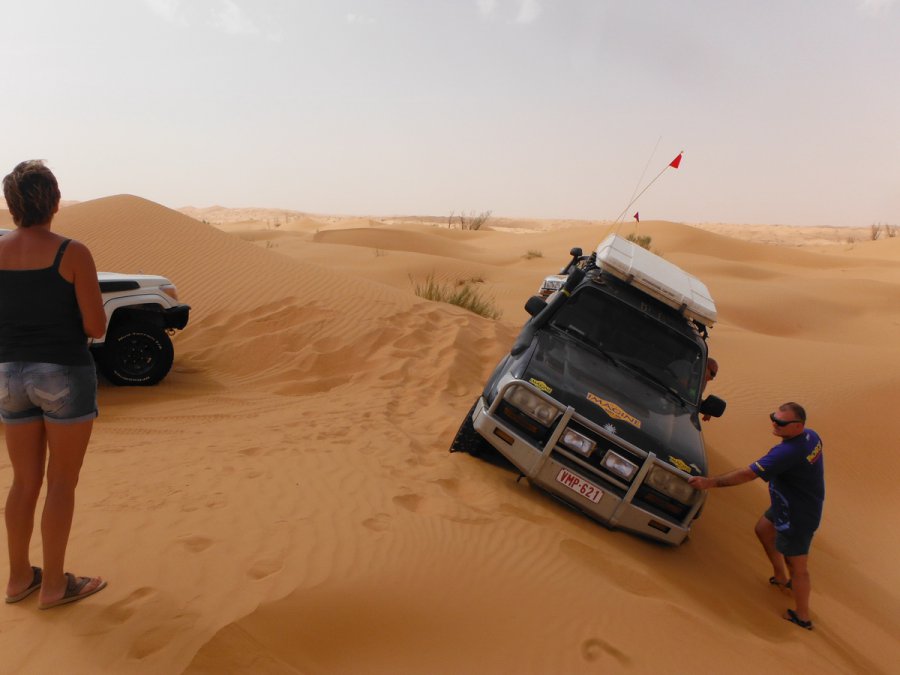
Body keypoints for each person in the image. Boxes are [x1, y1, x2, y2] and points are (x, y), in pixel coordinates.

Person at [1, 160, 108, 609]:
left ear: (11, 205)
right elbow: (97, 326)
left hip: (8, 374)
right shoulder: (72, 253)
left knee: (24, 481)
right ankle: (53, 586)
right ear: (55, 202)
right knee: (61, 482)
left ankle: (18, 579)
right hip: (63, 371)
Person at [687, 402, 824, 630]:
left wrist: (710, 483)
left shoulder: (787, 453)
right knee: (763, 529)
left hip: (797, 515)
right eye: (773, 418)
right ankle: (780, 577)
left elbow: (747, 474)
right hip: (787, 504)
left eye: (780, 422)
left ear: (798, 426)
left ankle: (803, 617)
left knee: (797, 566)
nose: (774, 424)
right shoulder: (812, 437)